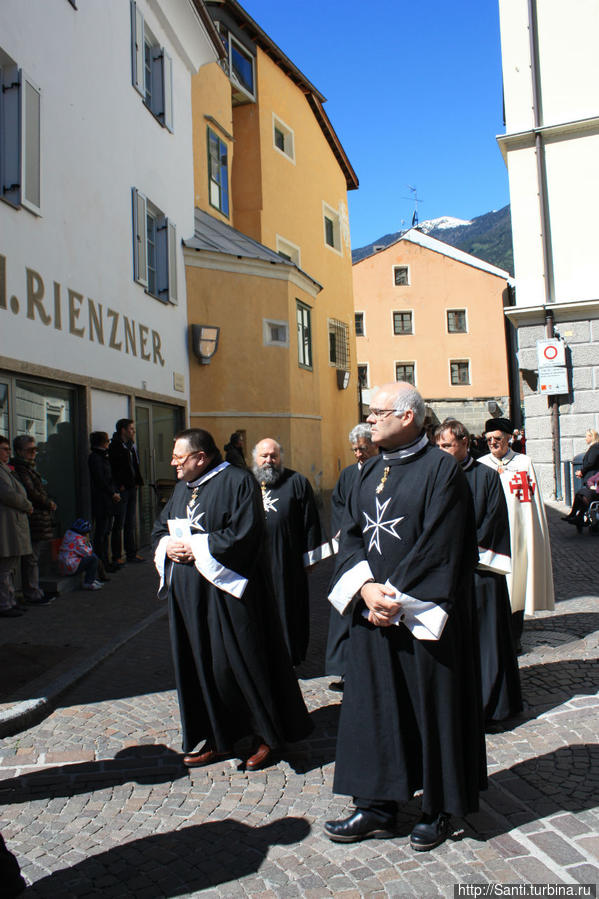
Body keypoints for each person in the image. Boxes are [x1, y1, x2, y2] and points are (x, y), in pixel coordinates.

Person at [324, 383, 486, 852]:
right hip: (373, 613)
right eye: (370, 413)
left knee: (429, 708)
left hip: (419, 617)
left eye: (379, 413)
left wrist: (396, 598)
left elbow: (445, 543)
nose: (370, 420)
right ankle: (376, 806)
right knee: (374, 709)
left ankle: (437, 808)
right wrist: (366, 589)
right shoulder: (364, 472)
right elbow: (350, 536)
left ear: (410, 416)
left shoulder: (442, 470)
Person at [152, 428, 312, 772]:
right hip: (189, 599)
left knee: (239, 664)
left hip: (229, 596)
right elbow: (159, 529)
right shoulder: (182, 488)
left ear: (201, 457)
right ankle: (217, 736)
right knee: (201, 667)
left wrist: (195, 546)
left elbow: (246, 534)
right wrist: (169, 546)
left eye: (179, 457)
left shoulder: (238, 482)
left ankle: (264, 735)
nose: (173, 463)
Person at [436, 419, 522, 723]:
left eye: (447, 445)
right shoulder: (435, 476)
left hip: (481, 572)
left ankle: (491, 705)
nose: (442, 451)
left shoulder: (485, 476)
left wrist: (462, 553)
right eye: (439, 446)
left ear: (463, 442)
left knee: (488, 642)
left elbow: (493, 520)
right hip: (448, 575)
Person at [251, 438, 327, 666]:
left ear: (280, 457)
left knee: (288, 608)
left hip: (287, 562)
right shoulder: (245, 483)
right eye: (264, 456)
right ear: (254, 458)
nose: (268, 461)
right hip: (253, 564)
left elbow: (310, 521)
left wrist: (310, 557)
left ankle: (289, 656)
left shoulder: (297, 482)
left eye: (273, 456)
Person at [479, 417, 554, 646]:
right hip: (491, 536)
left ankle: (514, 637)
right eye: (489, 439)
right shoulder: (481, 465)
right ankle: (494, 636)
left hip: (518, 535)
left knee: (518, 583)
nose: (493, 443)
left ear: (509, 438)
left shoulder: (523, 463)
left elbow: (530, 503)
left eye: (497, 438)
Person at [325, 423, 378, 691]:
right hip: (350, 550)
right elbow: (338, 507)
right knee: (346, 608)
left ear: (374, 446)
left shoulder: (383, 471)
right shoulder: (347, 475)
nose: (358, 454)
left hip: (376, 550)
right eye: (355, 449)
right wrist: (342, 537)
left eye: (363, 448)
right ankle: (345, 669)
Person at [11, 435, 55, 606]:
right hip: (33, 517)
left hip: (37, 517)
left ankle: (33, 590)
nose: (34, 453)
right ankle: (32, 592)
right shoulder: (22, 469)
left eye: (35, 450)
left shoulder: (28, 467)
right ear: (20, 451)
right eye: (30, 450)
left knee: (32, 557)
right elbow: (31, 492)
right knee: (31, 558)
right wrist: (47, 502)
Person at [0, 435, 33, 618]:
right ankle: (5, 603)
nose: (8, 453)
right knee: (4, 568)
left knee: (9, 566)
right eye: (4, 449)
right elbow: (8, 495)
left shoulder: (5, 469)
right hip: (6, 525)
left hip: (12, 523)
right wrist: (27, 505)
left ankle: (10, 600)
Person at [109, 418, 144, 564]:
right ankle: (117, 556)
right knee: (119, 523)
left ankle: (131, 553)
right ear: (123, 430)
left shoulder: (130, 446)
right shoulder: (115, 446)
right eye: (130, 429)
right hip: (122, 489)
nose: (133, 431)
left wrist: (137, 481)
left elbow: (135, 465)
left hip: (131, 487)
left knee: (130, 522)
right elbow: (114, 468)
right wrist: (120, 484)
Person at [88, 431, 121, 577]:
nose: (108, 443)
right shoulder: (96, 457)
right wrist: (112, 492)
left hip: (107, 500)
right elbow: (100, 479)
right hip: (102, 500)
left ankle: (105, 563)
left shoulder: (102, 456)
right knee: (101, 534)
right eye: (106, 441)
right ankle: (100, 566)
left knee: (106, 532)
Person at [562, 429, 599, 526]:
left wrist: (582, 471)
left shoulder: (595, 447)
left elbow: (591, 462)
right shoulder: (593, 447)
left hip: (594, 480)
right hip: (591, 480)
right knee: (580, 494)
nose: (585, 438)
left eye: (587, 436)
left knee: (582, 494)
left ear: (591, 437)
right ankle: (576, 515)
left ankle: (576, 516)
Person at [57, 519, 103, 590]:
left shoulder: (68, 534)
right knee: (93, 558)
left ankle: (92, 580)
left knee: (90, 558)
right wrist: (87, 541)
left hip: (63, 566)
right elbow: (88, 552)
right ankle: (88, 582)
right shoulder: (78, 539)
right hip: (70, 567)